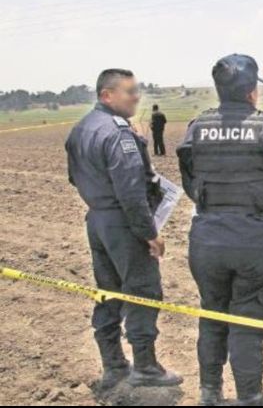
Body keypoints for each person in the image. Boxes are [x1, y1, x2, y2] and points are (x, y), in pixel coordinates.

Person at [177, 54, 263, 406]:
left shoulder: (196, 130)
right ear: (253, 92)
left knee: (212, 314)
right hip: (259, 243)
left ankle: (210, 394)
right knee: (248, 320)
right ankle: (251, 398)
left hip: (207, 240)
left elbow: (191, 184)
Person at [65, 69, 183, 390]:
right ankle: (145, 367)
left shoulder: (81, 128)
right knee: (143, 291)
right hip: (123, 224)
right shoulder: (118, 133)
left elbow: (74, 178)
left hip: (98, 221)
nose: (136, 97)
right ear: (107, 95)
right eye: (129, 91)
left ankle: (113, 366)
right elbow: (131, 193)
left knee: (109, 292)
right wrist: (150, 233)